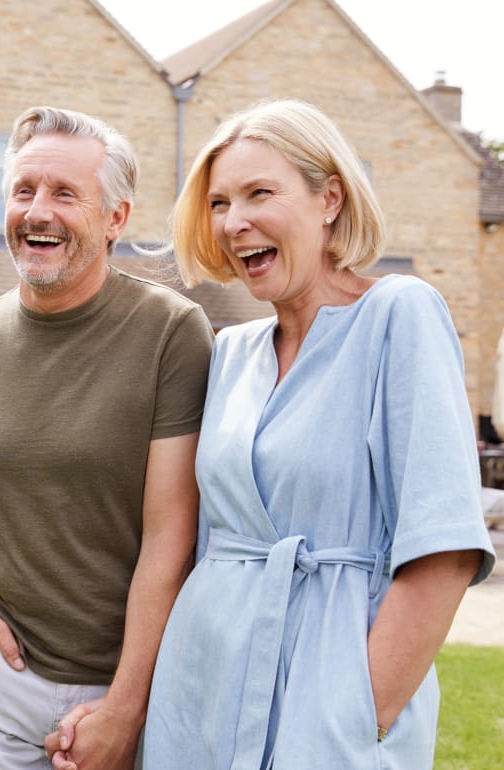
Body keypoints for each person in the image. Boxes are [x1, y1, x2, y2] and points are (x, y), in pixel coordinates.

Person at [139, 99, 496, 769]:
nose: (233, 221)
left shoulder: (398, 316)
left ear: (328, 197)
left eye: (258, 193)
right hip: (201, 693)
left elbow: (443, 548)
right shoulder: (230, 353)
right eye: (218, 203)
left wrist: (358, 711)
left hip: (330, 698)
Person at [0, 105, 213, 770]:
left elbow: (171, 534)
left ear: (116, 218)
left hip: (123, 679)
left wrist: (124, 708)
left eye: (64, 193)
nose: (37, 212)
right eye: (23, 191)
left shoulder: (172, 332)